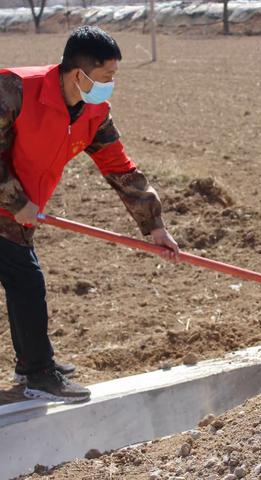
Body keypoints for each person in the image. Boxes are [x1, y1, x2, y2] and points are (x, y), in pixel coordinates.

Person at [0, 26, 179, 402]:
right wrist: (17, 201)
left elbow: (119, 167)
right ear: (78, 73)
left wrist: (154, 225)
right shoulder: (15, 90)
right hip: (10, 204)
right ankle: (38, 373)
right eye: (106, 76)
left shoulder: (94, 111)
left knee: (23, 284)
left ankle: (32, 361)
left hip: (19, 210)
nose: (111, 84)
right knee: (27, 283)